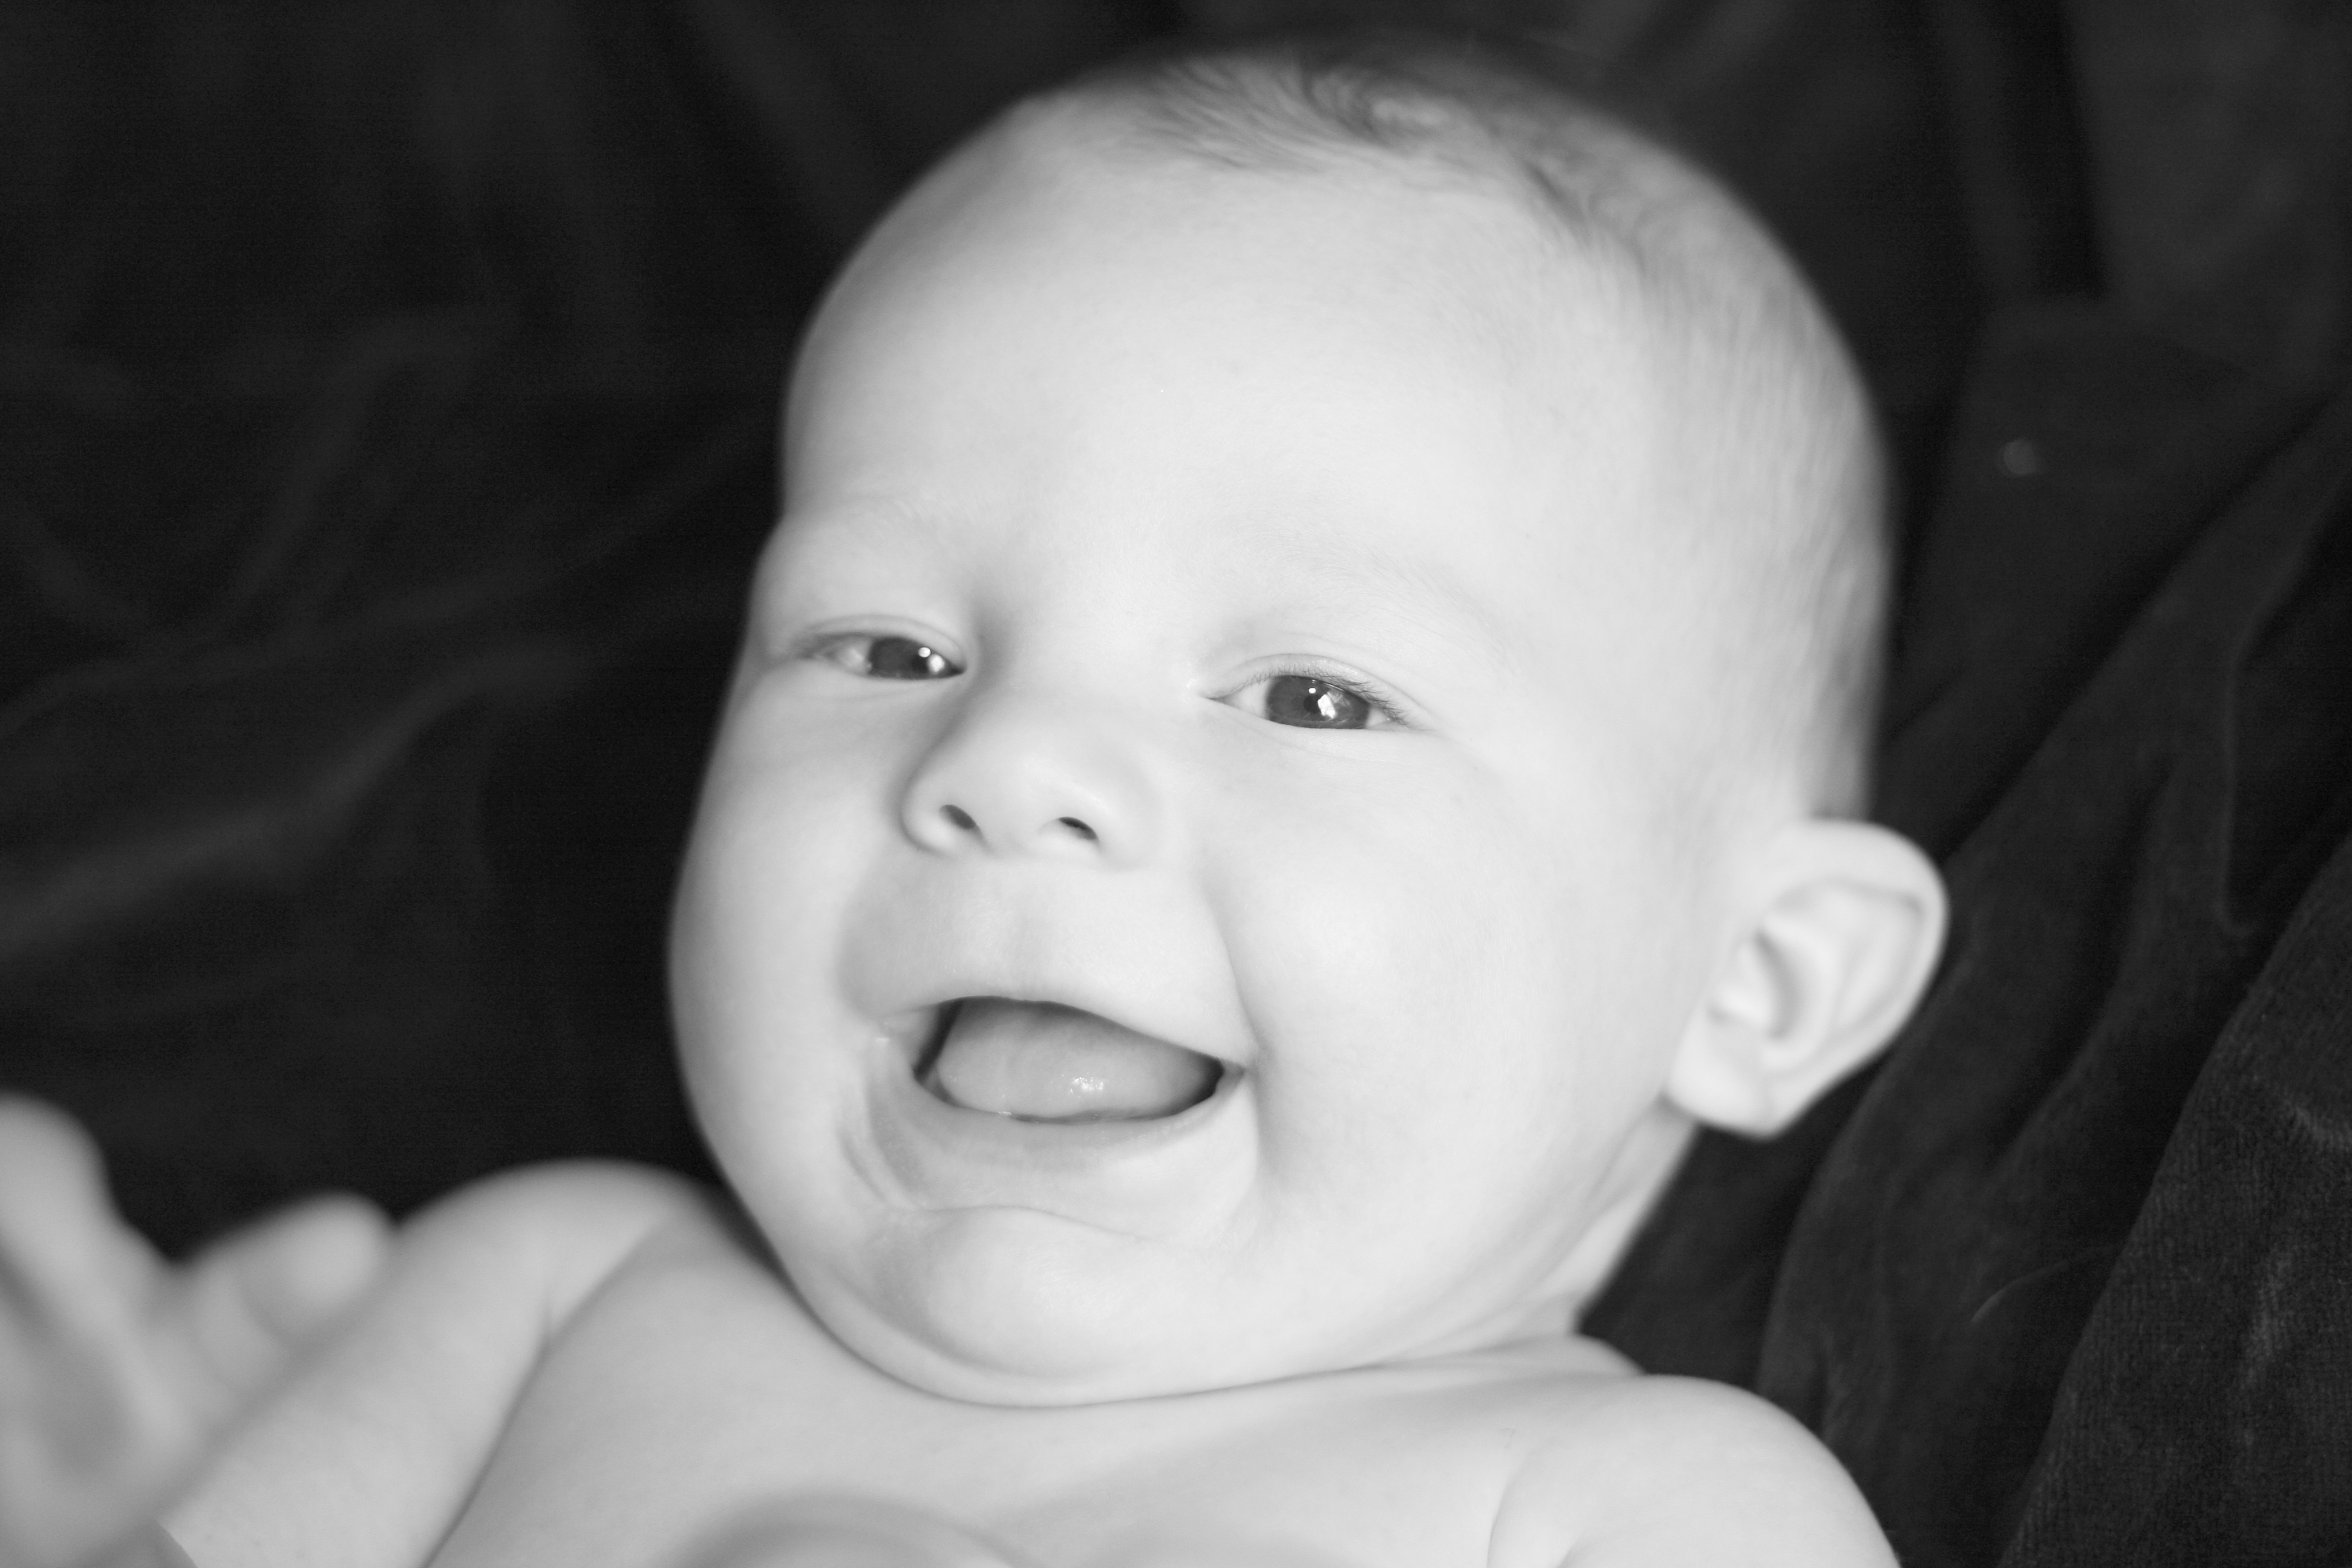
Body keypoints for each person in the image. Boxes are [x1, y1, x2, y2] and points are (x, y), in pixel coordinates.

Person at [0, 31, 1947, 1568]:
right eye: (886, 650)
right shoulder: (554, 1290)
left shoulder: (1631, 1506)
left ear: (1758, 981)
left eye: (1315, 695)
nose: (1008, 764)